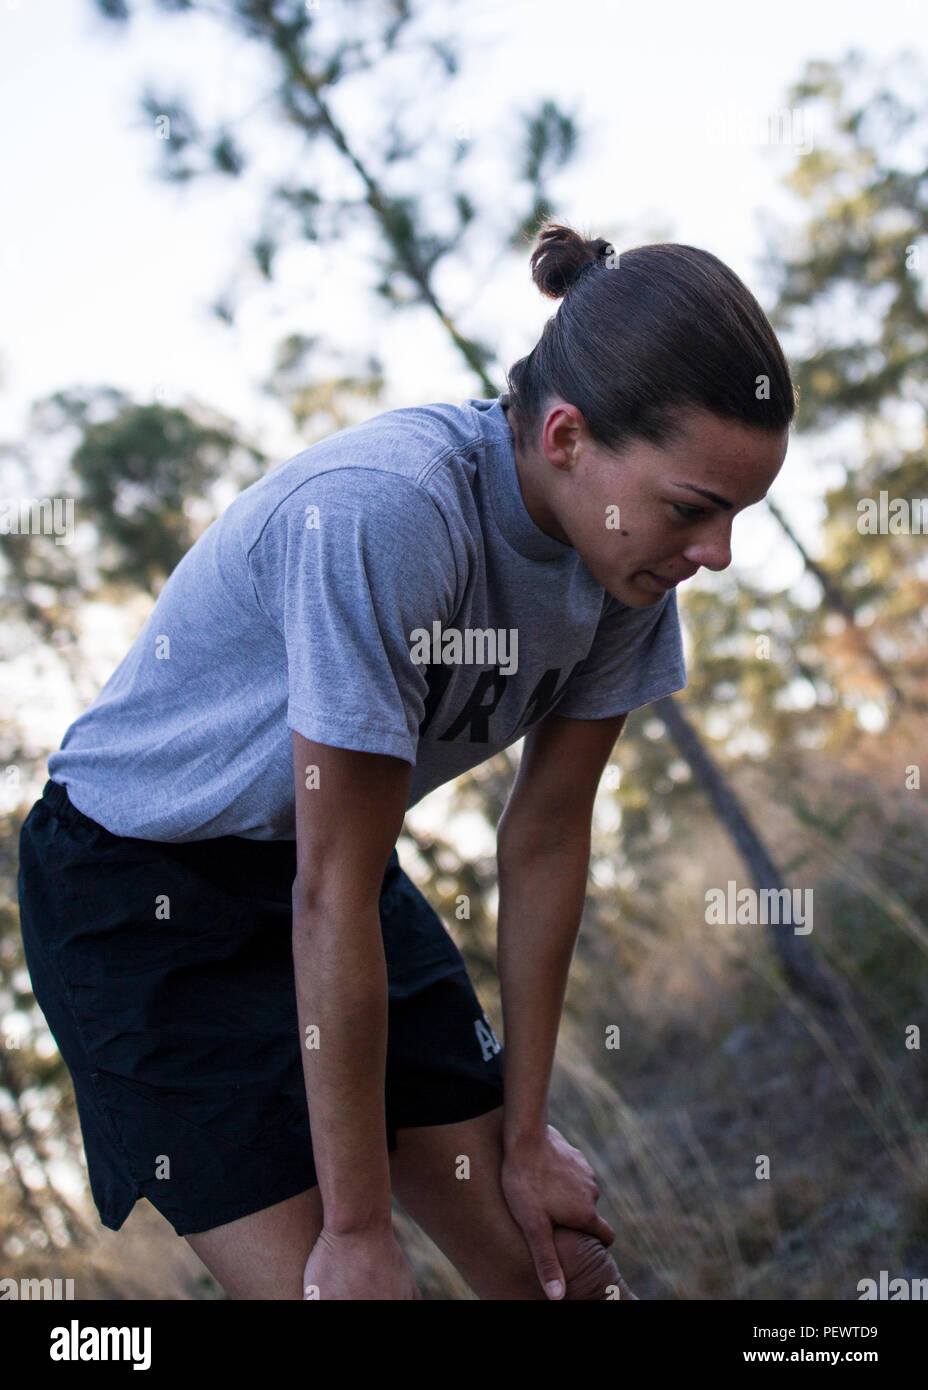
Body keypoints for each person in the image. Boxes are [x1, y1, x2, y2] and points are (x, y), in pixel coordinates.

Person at [16, 220, 793, 1300]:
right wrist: (357, 1225)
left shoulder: (626, 569)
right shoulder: (391, 514)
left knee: (559, 1270)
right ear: (565, 437)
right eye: (693, 510)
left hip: (327, 868)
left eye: (737, 518)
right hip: (137, 897)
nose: (714, 555)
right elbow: (329, 891)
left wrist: (524, 1138)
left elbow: (545, 837)